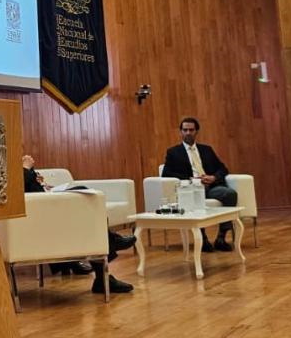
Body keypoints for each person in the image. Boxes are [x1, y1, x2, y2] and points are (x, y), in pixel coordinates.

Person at [21, 156, 135, 293]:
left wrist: (41, 183)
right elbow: (14, 187)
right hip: (36, 219)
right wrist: (25, 169)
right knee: (86, 212)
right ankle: (112, 242)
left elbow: (31, 186)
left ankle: (103, 272)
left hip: (46, 209)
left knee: (87, 204)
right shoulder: (4, 168)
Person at [162, 117, 238, 252]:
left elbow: (223, 168)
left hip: (210, 187)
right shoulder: (173, 152)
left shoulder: (206, 150)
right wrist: (191, 179)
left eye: (191, 130)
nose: (188, 133)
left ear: (196, 131)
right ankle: (202, 239)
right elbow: (167, 174)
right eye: (185, 130)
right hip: (191, 188)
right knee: (196, 197)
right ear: (181, 132)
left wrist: (213, 177)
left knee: (230, 194)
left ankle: (221, 237)